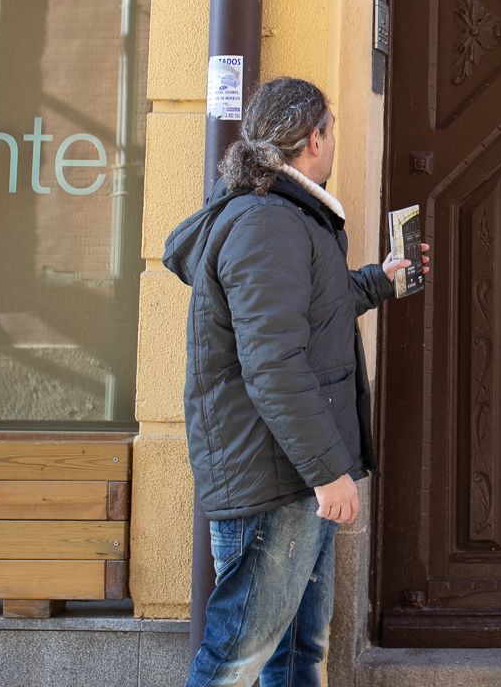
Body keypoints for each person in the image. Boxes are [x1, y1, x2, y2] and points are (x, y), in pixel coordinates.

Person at [164, 77, 428, 686]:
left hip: (289, 471)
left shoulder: (289, 218)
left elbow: (310, 312)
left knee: (296, 654)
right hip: (276, 478)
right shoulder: (267, 224)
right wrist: (327, 471)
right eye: (332, 130)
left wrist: (380, 280)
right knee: (238, 656)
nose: (334, 143)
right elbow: (274, 364)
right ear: (314, 138)